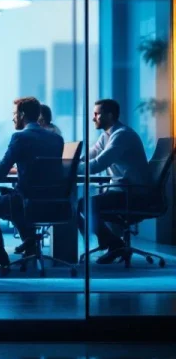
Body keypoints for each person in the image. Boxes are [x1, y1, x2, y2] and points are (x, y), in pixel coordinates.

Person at [0, 97, 64, 270]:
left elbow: (0, 173)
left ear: (22, 114)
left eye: (14, 114)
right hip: (53, 203)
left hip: (25, 202)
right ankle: (29, 241)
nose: (13, 118)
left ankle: (1, 255)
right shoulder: (56, 139)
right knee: (9, 194)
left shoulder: (20, 137)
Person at [76, 99, 150, 264]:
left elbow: (98, 164)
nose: (93, 118)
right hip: (121, 191)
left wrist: (70, 169)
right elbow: (91, 155)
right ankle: (113, 243)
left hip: (132, 193)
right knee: (84, 204)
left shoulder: (121, 135)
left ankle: (113, 243)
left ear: (109, 115)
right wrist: (72, 162)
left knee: (82, 205)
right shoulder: (107, 135)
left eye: (97, 114)